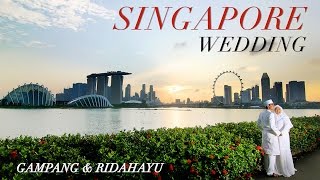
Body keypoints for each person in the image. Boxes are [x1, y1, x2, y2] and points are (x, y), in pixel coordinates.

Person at [257, 99, 282, 176]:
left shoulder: (261, 113)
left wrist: (264, 130)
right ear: (268, 106)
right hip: (271, 135)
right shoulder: (271, 114)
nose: (273, 106)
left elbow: (258, 124)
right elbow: (272, 126)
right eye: (272, 104)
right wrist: (279, 133)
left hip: (264, 134)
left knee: (266, 153)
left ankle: (266, 169)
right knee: (272, 153)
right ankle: (270, 172)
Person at [274, 105, 297, 177]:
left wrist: (281, 132)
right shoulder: (273, 117)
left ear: (281, 110)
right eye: (276, 109)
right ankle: (278, 169)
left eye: (279, 109)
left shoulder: (285, 117)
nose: (277, 111)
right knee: (277, 151)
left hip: (283, 137)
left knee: (284, 150)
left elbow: (287, 126)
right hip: (276, 136)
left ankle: (285, 168)